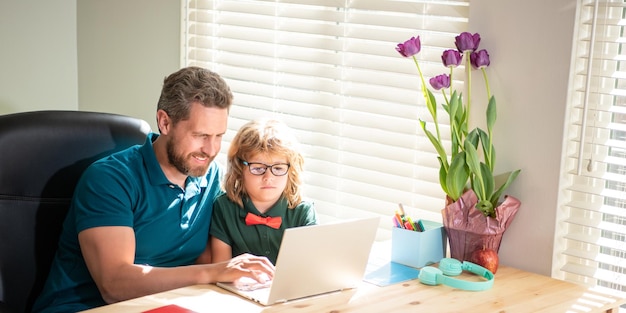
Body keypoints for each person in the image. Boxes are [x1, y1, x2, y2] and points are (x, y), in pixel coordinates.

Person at [32, 67, 274, 313]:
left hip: (166, 305)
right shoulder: (109, 180)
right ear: (164, 122)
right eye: (200, 135)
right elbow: (114, 285)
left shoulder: (211, 178)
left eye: (218, 136)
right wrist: (213, 272)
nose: (210, 150)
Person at [210, 119, 317, 265]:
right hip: (238, 286)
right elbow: (221, 268)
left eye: (278, 168)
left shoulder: (303, 211)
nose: (268, 177)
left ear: (291, 170)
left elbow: (309, 266)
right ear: (239, 169)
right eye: (258, 168)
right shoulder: (224, 207)